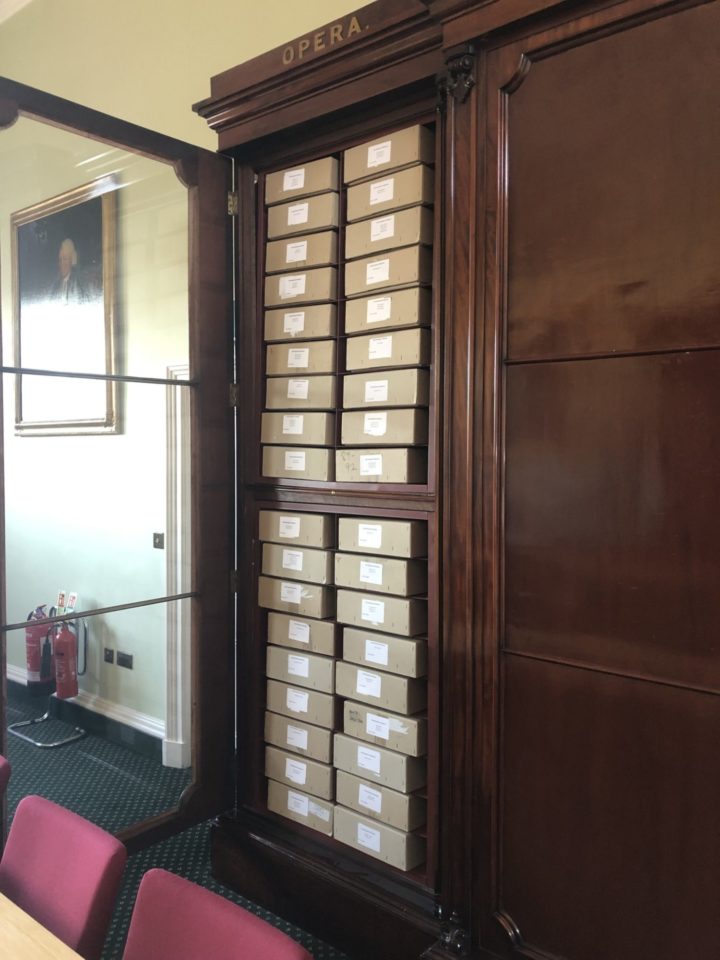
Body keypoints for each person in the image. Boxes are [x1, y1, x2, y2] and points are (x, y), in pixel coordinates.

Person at [50, 237, 88, 302]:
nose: (62, 263)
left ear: (72, 260)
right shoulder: (55, 285)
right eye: (60, 260)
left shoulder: (78, 283)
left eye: (65, 259)